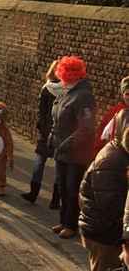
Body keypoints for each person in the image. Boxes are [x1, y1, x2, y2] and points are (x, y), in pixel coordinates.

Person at [50, 56, 96, 239]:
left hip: (76, 153)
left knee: (72, 189)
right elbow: (57, 119)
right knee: (62, 187)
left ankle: (71, 224)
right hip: (61, 150)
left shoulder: (84, 96)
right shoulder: (66, 93)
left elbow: (86, 128)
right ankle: (63, 220)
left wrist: (66, 144)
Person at [79, 112, 129, 271]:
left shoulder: (121, 154)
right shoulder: (112, 159)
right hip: (102, 233)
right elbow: (110, 205)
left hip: (107, 230)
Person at [21, 60, 63, 207]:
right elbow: (42, 112)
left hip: (57, 133)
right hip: (48, 132)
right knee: (40, 163)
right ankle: (36, 193)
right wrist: (43, 130)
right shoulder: (48, 89)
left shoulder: (65, 89)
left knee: (56, 166)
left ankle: (54, 199)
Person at [94, 77, 129, 156]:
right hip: (116, 155)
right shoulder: (115, 111)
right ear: (123, 95)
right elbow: (101, 134)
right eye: (127, 94)